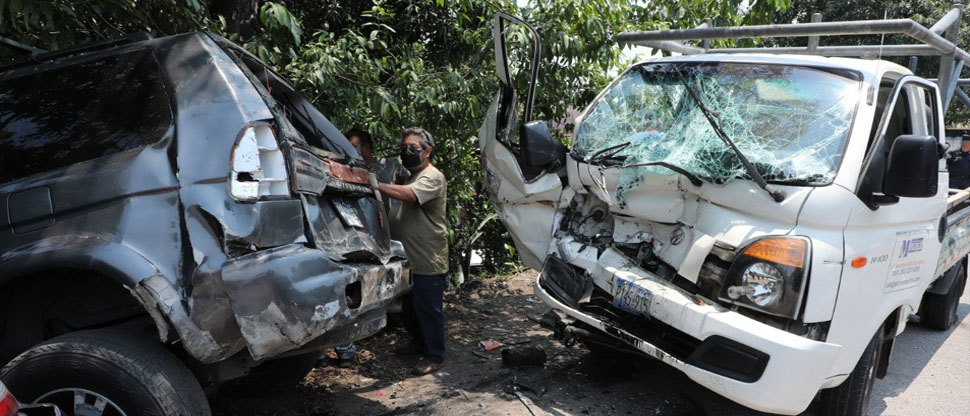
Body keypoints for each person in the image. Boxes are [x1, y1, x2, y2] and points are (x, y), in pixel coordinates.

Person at [378, 127, 449, 376]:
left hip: (427, 258)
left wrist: (375, 184)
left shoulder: (432, 176)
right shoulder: (409, 176)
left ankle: (435, 356)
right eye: (404, 147)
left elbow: (409, 196)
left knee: (428, 309)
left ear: (428, 151)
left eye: (413, 148)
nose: (407, 152)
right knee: (409, 309)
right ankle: (419, 343)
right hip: (407, 259)